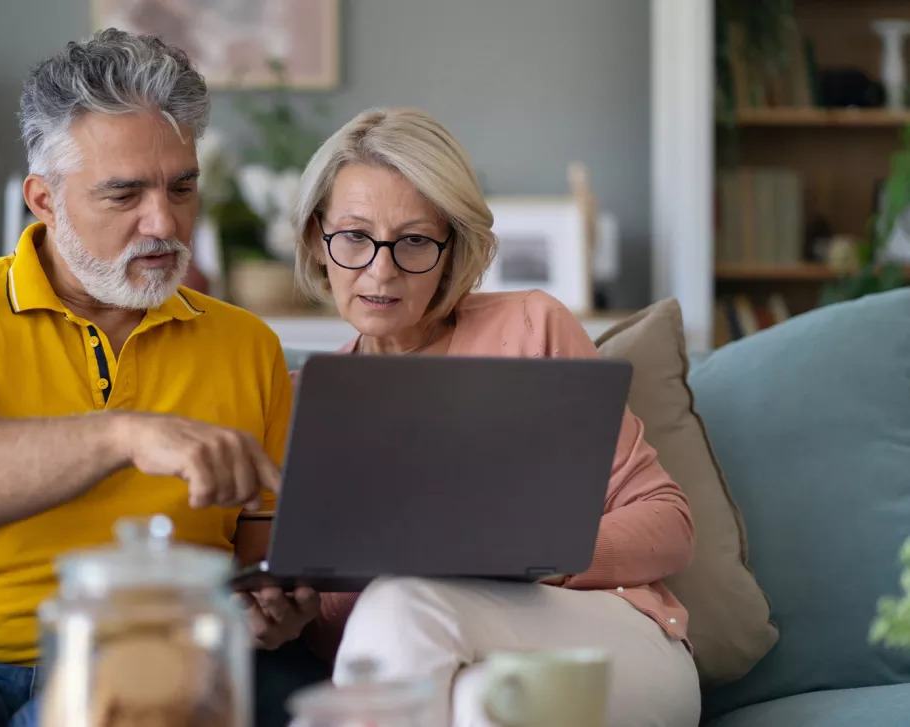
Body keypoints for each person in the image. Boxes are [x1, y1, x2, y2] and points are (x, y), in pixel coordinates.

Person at [0, 30, 326, 727]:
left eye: (182, 187)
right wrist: (124, 434)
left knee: (149, 671)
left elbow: (260, 564)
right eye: (124, 194)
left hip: (128, 670)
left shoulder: (247, 346)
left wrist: (271, 614)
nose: (163, 221)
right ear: (44, 200)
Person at [289, 107, 701, 727]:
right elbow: (344, 644)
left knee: (403, 607)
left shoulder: (531, 327)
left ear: (453, 248)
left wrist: (543, 555)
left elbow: (671, 525)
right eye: (353, 236)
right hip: (446, 664)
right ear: (317, 242)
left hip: (612, 640)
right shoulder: (303, 402)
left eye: (414, 241)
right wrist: (297, 615)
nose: (381, 269)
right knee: (478, 703)